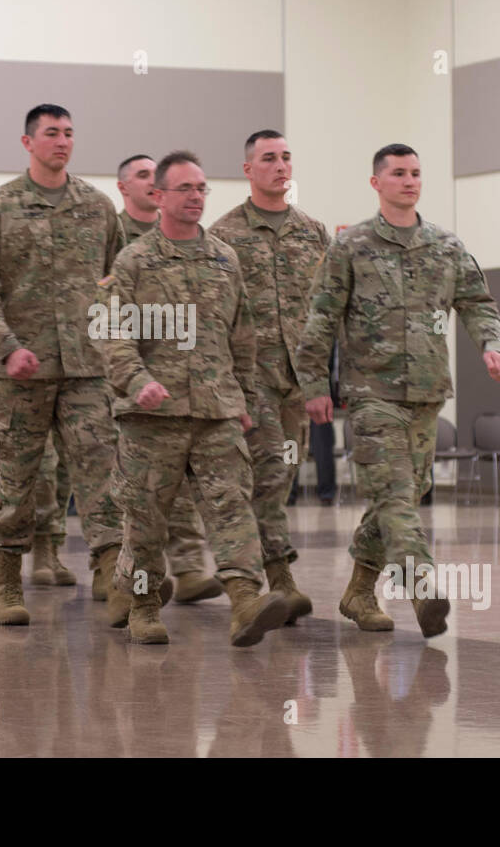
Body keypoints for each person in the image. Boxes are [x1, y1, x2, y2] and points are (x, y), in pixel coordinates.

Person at [296, 143, 500, 639]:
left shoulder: (446, 246)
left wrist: (493, 345)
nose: (409, 180)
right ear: (377, 183)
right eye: (398, 173)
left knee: (396, 502)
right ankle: (420, 584)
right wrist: (313, 383)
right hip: (371, 394)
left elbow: (479, 302)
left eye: (415, 172)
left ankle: (357, 592)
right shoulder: (350, 247)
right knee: (396, 498)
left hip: (427, 397)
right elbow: (321, 316)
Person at [97, 150, 290, 646]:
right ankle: (141, 602)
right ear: (158, 196)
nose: (196, 197)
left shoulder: (225, 259)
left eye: (202, 188)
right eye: (185, 189)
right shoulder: (135, 261)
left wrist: (244, 401)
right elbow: (113, 334)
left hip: (216, 411)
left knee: (231, 508)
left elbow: (242, 338)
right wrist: (138, 381)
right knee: (145, 520)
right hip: (151, 416)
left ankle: (246, 600)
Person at [0, 103, 131, 626]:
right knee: (13, 478)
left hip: (85, 368)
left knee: (102, 473)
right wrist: (6, 345)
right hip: (18, 372)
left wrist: (115, 348)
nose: (62, 142)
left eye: (69, 134)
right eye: (52, 133)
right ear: (27, 142)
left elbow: (117, 284)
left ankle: (111, 572)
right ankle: (7, 583)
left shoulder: (97, 206)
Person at [210, 130, 330, 624]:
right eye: (268, 159)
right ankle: (276, 579)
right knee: (268, 475)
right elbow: (215, 318)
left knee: (282, 477)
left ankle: (260, 577)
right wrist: (227, 388)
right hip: (250, 377)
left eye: (285, 158)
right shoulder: (224, 235)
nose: (280, 166)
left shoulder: (314, 232)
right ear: (248, 170)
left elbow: (326, 313)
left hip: (296, 380)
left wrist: (321, 381)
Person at [113, 154, 223, 603]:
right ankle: (129, 583)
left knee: (175, 487)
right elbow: (105, 317)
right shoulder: (116, 238)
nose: (147, 181)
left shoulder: (202, 244)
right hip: (126, 381)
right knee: (139, 498)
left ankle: (192, 568)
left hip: (186, 387)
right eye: (140, 174)